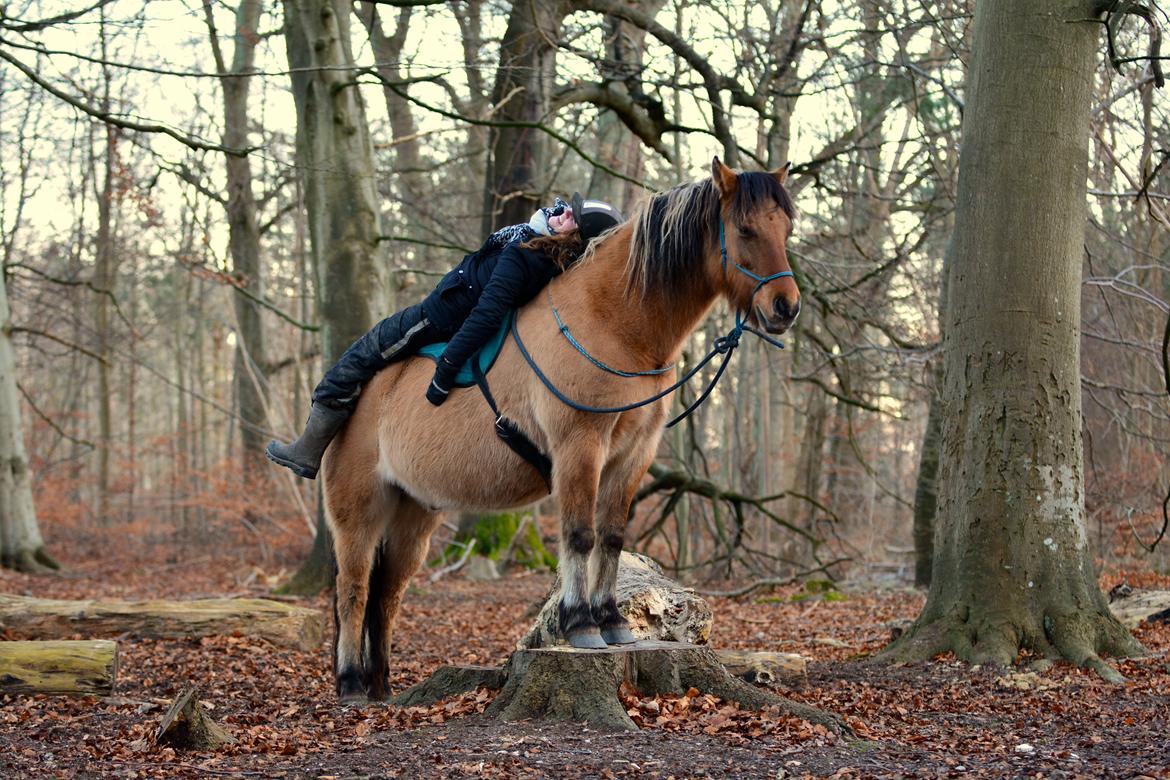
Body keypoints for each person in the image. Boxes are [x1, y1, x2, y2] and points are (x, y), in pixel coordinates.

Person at [266, 193, 624, 479]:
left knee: (357, 360)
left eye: (570, 219)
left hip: (436, 319)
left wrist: (447, 365)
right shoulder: (538, 248)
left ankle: (307, 453)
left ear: (575, 239)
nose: (560, 213)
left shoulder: (525, 256)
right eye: (566, 209)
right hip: (446, 307)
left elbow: (488, 312)